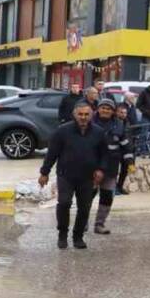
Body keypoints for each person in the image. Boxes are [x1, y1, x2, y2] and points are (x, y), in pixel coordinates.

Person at [38, 100, 107, 249]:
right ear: (74, 115)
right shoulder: (62, 131)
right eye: (80, 114)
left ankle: (78, 237)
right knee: (64, 203)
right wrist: (44, 172)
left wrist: (101, 169)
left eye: (86, 114)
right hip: (66, 175)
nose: (83, 117)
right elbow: (52, 153)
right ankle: (62, 234)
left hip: (87, 177)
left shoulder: (99, 132)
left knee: (84, 207)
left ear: (91, 115)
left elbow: (104, 155)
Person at [90, 99, 133, 235]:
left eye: (108, 109)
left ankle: (99, 224)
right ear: (98, 109)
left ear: (113, 111)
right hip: (92, 167)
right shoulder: (89, 123)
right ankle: (82, 223)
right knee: (87, 196)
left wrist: (130, 162)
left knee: (107, 197)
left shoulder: (119, 125)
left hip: (111, 168)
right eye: (103, 108)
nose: (105, 110)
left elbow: (126, 145)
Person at [114, 102, 138, 195]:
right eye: (121, 112)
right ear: (117, 112)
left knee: (124, 170)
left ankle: (120, 187)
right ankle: (114, 188)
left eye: (125, 113)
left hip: (126, 150)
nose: (123, 114)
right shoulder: (115, 122)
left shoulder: (127, 122)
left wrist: (131, 148)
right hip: (116, 150)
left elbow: (129, 136)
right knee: (115, 171)